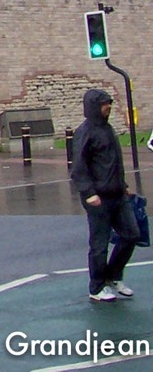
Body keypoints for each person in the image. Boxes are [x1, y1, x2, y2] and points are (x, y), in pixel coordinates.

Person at [70, 88, 139, 302]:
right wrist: (89, 193)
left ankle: (113, 276)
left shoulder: (107, 129)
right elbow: (79, 167)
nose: (108, 106)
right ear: (94, 106)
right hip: (97, 197)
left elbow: (112, 162)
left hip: (117, 194)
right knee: (99, 244)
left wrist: (123, 185)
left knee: (132, 234)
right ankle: (97, 287)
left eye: (109, 103)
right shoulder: (86, 131)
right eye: (104, 103)